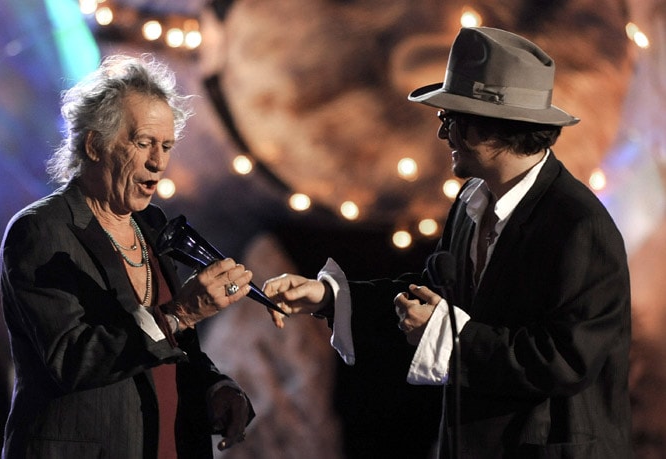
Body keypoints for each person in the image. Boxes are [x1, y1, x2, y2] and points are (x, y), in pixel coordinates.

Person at [263, 27, 632, 458]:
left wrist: (451, 336)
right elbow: (428, 299)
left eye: (451, 119)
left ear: (499, 123)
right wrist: (329, 297)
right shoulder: (472, 201)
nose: (443, 135)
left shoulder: (578, 224)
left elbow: (566, 360)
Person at [0, 54, 255, 459]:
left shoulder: (152, 225)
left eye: (167, 146)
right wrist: (180, 313)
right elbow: (72, 358)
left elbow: (174, 349)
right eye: (144, 143)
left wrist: (215, 388)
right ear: (94, 145)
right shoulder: (41, 230)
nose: (159, 162)